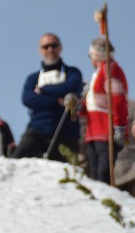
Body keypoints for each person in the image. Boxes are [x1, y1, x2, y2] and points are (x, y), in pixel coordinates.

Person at [12, 33, 83, 161]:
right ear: (40, 50)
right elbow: (27, 98)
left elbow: (71, 87)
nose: (50, 49)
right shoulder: (33, 78)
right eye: (46, 46)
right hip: (36, 129)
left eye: (54, 45)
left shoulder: (73, 72)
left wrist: (43, 90)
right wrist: (56, 100)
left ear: (60, 47)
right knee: (16, 162)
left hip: (65, 132)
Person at [79, 37, 129, 183]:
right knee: (95, 173)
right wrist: (78, 106)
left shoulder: (110, 70)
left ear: (95, 55)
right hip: (93, 131)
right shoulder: (98, 73)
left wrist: (119, 126)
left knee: (103, 173)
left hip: (106, 131)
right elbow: (94, 104)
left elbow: (117, 100)